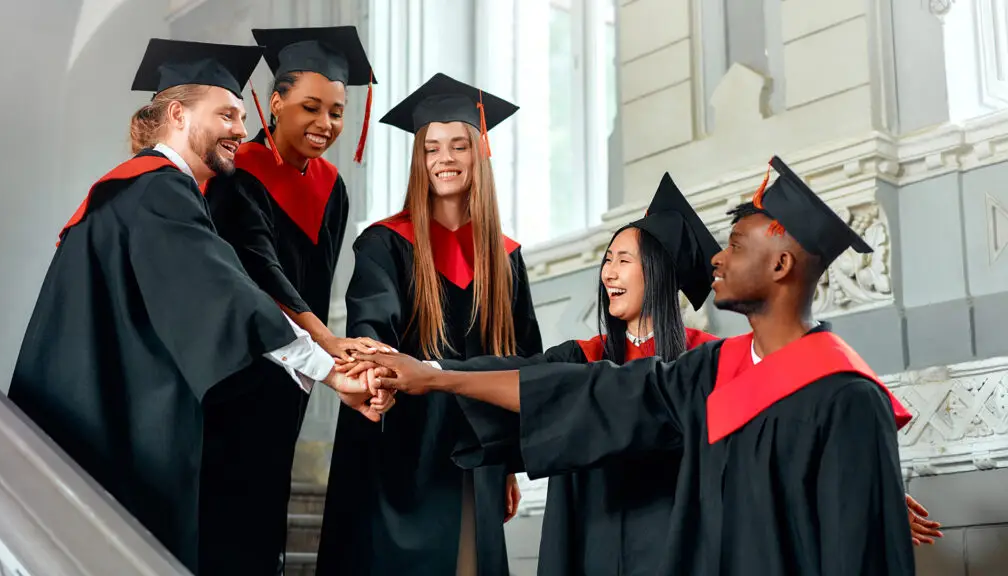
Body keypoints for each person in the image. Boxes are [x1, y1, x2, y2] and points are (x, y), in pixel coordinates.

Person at [361, 156, 921, 574]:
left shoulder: (845, 397)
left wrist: (874, 485)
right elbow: (589, 395)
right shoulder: (707, 374)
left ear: (780, 266)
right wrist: (435, 376)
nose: (718, 259)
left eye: (736, 246)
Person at [7, 39, 388, 575]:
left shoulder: (135, 190)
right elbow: (225, 292)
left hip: (99, 415)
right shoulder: (159, 192)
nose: (239, 127)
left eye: (240, 115)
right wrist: (330, 368)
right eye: (227, 114)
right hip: (111, 426)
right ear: (179, 114)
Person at [431, 171, 719, 575]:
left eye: (623, 260)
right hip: (591, 535)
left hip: (671, 540)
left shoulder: (704, 356)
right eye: (607, 260)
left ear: (658, 273)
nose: (609, 273)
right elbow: (520, 376)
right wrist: (435, 374)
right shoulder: (585, 356)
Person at [316, 73, 544, 576]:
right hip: (402, 439)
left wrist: (507, 462)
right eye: (431, 148)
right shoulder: (385, 243)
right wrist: (373, 368)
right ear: (419, 161)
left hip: (476, 442)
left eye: (458, 145)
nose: (445, 159)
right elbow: (372, 320)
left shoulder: (505, 258)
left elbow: (525, 362)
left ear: (478, 152)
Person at [203, 27, 387, 572]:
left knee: (269, 485)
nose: (326, 125)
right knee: (228, 490)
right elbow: (258, 265)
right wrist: (326, 340)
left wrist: (320, 345)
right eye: (310, 107)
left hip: (295, 365)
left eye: (336, 111)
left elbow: (322, 277)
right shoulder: (237, 173)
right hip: (242, 356)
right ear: (275, 102)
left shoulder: (332, 185)